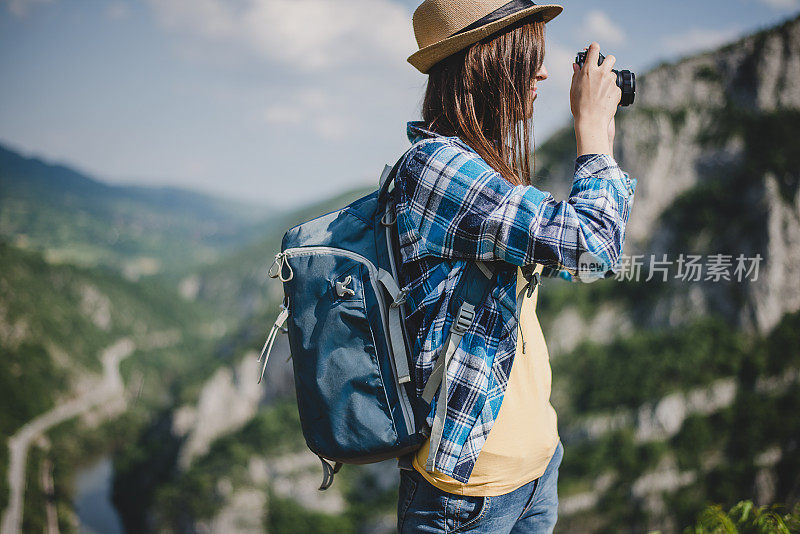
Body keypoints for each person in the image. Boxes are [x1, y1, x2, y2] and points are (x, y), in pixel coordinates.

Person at [393, 0, 637, 532]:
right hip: (469, 500)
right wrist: (594, 130)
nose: (544, 72)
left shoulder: (482, 168)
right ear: (485, 63)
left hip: (535, 474)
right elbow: (593, 246)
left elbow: (575, 264)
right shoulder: (438, 169)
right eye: (528, 57)